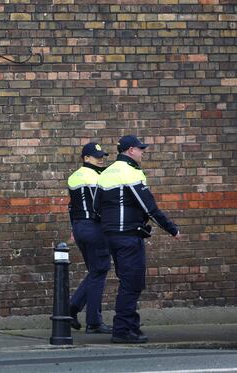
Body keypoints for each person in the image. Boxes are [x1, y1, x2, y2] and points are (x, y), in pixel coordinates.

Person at [95, 135, 182, 344]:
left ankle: (131, 326)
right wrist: (172, 230)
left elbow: (97, 208)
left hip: (111, 235)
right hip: (128, 236)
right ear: (131, 150)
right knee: (132, 283)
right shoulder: (131, 172)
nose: (142, 152)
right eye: (140, 149)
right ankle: (122, 330)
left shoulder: (106, 173)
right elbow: (149, 207)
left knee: (128, 281)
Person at [67, 142, 112, 334]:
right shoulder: (98, 177)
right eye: (96, 156)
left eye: (101, 156)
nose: (100, 159)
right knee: (100, 269)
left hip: (79, 227)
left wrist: (73, 228)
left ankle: (72, 309)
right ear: (86, 158)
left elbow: (71, 206)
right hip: (94, 227)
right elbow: (100, 207)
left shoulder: (73, 177)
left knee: (95, 271)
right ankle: (93, 321)